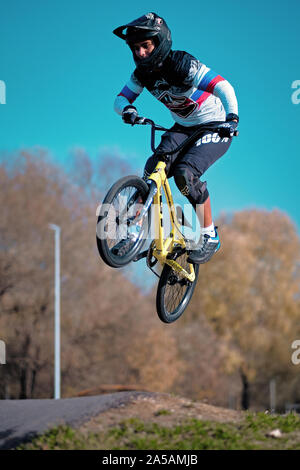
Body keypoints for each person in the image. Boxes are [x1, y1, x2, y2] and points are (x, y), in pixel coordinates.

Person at [113, 12, 239, 264]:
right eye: (135, 48)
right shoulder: (142, 74)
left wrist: (232, 118)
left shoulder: (183, 64)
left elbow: (224, 86)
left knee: (184, 175)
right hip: (182, 127)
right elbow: (120, 99)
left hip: (214, 127)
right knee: (152, 172)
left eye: (145, 46)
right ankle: (133, 231)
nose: (140, 54)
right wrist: (127, 110)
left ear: (159, 43)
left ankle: (209, 235)